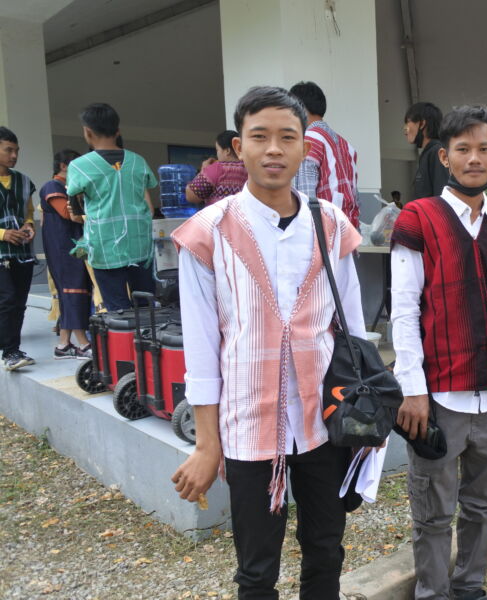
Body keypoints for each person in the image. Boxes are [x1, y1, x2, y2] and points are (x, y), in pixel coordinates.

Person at [170, 86, 365, 600]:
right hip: (248, 425)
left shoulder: (331, 225)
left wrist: (366, 412)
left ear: (305, 148)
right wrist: (207, 444)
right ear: (239, 147)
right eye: (260, 137)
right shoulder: (207, 232)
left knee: (326, 550)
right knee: (256, 570)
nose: (274, 149)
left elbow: (354, 331)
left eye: (287, 138)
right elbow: (201, 351)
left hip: (324, 424)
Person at [391, 104, 487, 600]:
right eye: (462, 149)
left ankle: (470, 588)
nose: (473, 158)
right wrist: (412, 389)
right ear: (445, 157)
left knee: (484, 507)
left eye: (483, 149)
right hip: (438, 399)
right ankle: (432, 593)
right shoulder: (418, 219)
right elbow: (404, 311)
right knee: (433, 512)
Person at [66, 103, 157, 312]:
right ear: (118, 131)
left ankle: (124, 334)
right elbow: (148, 204)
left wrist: (81, 216)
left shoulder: (79, 166)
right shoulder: (138, 161)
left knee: (117, 309)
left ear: (87, 131)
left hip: (105, 247)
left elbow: (76, 210)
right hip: (140, 245)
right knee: (146, 307)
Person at [39, 149, 92, 359]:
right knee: (73, 292)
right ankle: (83, 343)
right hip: (63, 248)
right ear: (63, 166)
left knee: (72, 293)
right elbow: (68, 213)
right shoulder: (53, 186)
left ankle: (63, 345)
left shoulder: (69, 187)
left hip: (72, 246)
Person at [290, 81, 360, 229]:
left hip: (323, 233)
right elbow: (356, 198)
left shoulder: (308, 140)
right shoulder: (347, 146)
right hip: (347, 230)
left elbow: (305, 199)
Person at [0, 126, 38, 371]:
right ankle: (10, 352)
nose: (14, 155)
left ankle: (12, 347)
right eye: (8, 150)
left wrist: (29, 225)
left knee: (20, 302)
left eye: (16, 151)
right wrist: (3, 233)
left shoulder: (23, 181)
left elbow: (29, 211)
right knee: (8, 299)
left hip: (22, 252)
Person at [185, 130, 247, 206]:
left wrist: (203, 170)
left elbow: (191, 196)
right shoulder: (250, 168)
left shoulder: (217, 168)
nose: (217, 154)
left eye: (217, 150)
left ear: (227, 151)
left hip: (220, 213)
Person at [404, 101, 449, 201]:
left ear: (422, 124)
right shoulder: (428, 153)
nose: (405, 130)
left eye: (408, 122)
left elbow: (442, 198)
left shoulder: (437, 152)